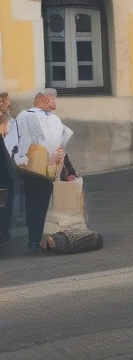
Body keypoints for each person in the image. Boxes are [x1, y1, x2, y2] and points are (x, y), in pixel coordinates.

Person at [8, 89, 77, 253]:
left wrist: (70, 171)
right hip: (34, 170)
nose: (54, 101)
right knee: (37, 204)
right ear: (41, 99)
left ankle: (53, 238)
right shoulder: (27, 116)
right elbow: (21, 141)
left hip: (54, 166)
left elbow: (60, 145)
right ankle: (34, 239)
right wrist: (21, 159)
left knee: (54, 204)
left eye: (54, 98)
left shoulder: (55, 119)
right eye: (51, 98)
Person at [0, 91, 18, 245]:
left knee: (7, 200)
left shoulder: (11, 121)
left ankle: (5, 230)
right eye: (2, 101)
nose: (5, 104)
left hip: (7, 170)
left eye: (6, 101)